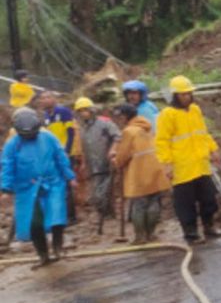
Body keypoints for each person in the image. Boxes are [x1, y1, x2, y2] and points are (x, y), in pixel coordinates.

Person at [1, 107, 76, 267]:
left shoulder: (48, 138)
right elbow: (7, 166)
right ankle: (43, 255)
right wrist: (6, 189)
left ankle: (57, 248)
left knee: (56, 217)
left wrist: (70, 176)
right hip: (27, 189)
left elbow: (60, 157)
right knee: (34, 223)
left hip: (53, 183)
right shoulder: (12, 145)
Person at [155, 75, 221, 243]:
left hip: (201, 164)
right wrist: (167, 164)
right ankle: (191, 234)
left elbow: (203, 133)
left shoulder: (195, 110)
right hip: (182, 167)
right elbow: (162, 142)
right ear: (175, 95)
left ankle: (209, 226)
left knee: (208, 198)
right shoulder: (167, 115)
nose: (187, 96)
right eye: (183, 94)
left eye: (189, 93)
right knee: (186, 204)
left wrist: (213, 149)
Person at [112, 104, 171, 244]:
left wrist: (115, 161)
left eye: (120, 116)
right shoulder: (147, 128)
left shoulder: (129, 131)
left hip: (139, 171)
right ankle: (151, 234)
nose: (119, 120)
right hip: (155, 169)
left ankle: (140, 236)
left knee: (139, 204)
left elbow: (123, 155)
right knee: (153, 201)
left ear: (125, 116)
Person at [74, 97, 122, 233]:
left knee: (103, 192)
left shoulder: (104, 123)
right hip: (93, 165)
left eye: (85, 110)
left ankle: (108, 216)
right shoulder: (82, 128)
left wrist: (113, 150)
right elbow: (84, 147)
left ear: (91, 110)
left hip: (106, 163)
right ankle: (106, 214)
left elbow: (118, 136)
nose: (83, 113)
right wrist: (84, 162)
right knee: (97, 193)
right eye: (80, 111)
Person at [37, 90, 81, 224]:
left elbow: (70, 132)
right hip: (53, 155)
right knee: (57, 185)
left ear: (54, 99)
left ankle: (71, 217)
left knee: (67, 184)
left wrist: (67, 151)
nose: (44, 100)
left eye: (47, 97)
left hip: (66, 154)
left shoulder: (63, 112)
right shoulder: (46, 117)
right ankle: (59, 216)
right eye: (42, 98)